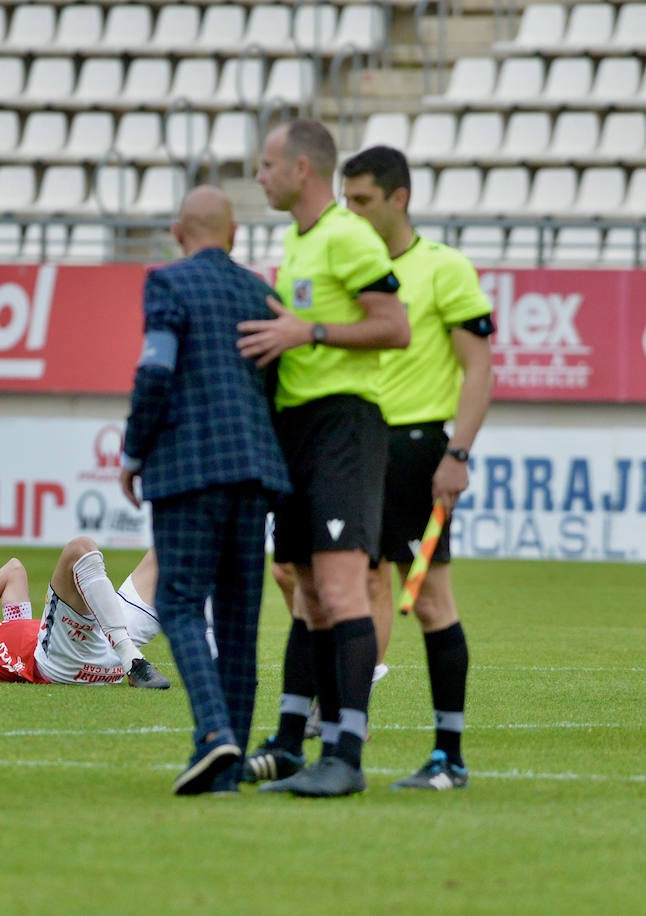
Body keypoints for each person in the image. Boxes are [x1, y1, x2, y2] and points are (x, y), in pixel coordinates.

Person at [236, 120, 410, 797]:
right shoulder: (296, 240)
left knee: (340, 593)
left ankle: (346, 755)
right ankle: (287, 743)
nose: (259, 175)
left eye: (267, 163)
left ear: (301, 169)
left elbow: (394, 326)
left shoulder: (346, 235)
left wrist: (306, 329)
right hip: (299, 429)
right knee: (306, 593)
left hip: (345, 426)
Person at [118, 186, 292, 796]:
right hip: (254, 473)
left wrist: (134, 451)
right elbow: (274, 388)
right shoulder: (258, 292)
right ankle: (226, 765)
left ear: (176, 231)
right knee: (241, 624)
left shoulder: (168, 285)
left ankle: (214, 733)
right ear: (235, 235)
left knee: (182, 604)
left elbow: (155, 372)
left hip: (188, 470)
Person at [340, 146, 493, 788]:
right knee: (365, 585)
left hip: (416, 452)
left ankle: (449, 757)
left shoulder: (445, 269)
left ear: (398, 199)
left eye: (364, 201)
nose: (352, 212)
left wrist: (457, 454)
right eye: (346, 201)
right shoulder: (356, 268)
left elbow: (479, 367)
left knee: (431, 601)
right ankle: (350, 724)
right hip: (362, 445)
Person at [0, 538, 169, 689]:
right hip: (64, 658)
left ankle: (205, 649)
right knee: (79, 548)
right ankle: (132, 660)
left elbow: (14, 571)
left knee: (168, 544)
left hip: (102, 659)